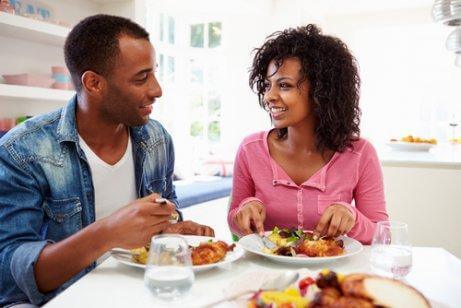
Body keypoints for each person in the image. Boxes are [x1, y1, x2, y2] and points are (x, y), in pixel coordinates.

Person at [0, 14, 214, 306]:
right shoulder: (23, 150)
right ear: (94, 83)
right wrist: (108, 233)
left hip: (142, 291)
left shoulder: (156, 139)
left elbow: (167, 207)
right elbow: (11, 273)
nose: (157, 89)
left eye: (154, 73)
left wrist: (170, 228)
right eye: (142, 78)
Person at [228, 24, 388, 244]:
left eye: (284, 85)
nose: (269, 96)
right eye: (267, 85)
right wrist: (243, 211)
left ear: (322, 91)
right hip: (268, 273)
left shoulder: (360, 153)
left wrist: (353, 218)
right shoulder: (250, 149)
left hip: (331, 275)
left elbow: (382, 234)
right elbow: (234, 222)